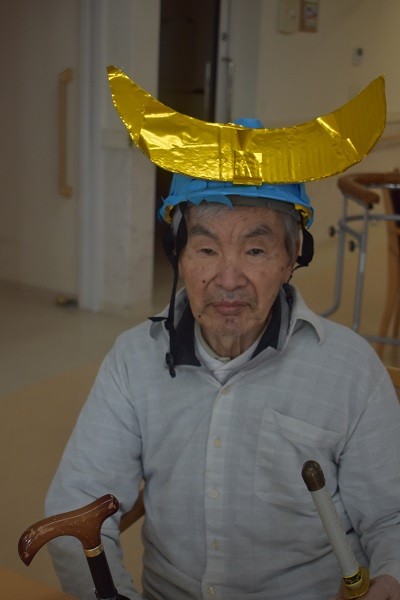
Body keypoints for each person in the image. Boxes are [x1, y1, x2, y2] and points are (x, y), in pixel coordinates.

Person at [45, 70, 400, 600]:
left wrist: (389, 579)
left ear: (292, 257)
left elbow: (392, 519)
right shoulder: (133, 361)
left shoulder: (350, 371)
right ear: (179, 256)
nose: (227, 279)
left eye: (255, 250)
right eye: (206, 249)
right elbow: (75, 509)